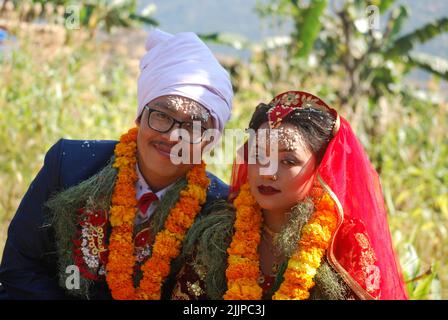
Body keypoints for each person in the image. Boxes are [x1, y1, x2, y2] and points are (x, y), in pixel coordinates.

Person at [0, 28, 233, 300]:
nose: (172, 136)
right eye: (161, 115)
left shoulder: (220, 210)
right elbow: (21, 269)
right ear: (139, 116)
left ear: (211, 141)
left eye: (193, 127)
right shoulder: (70, 165)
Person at [171, 90, 408, 300]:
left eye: (288, 160)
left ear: (320, 169)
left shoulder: (344, 243)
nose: (267, 171)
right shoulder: (218, 232)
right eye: (259, 155)